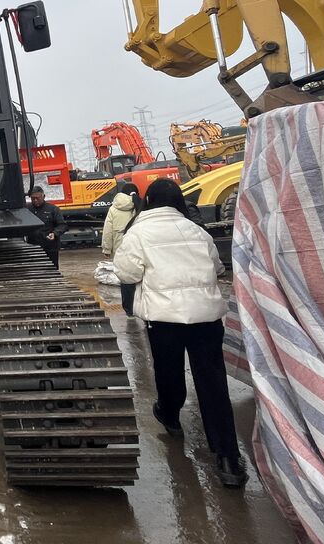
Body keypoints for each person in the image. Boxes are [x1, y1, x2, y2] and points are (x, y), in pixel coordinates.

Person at [113, 178, 247, 488]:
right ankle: (228, 459)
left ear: (148, 202)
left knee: (169, 372)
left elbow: (128, 273)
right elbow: (217, 268)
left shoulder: (139, 233)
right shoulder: (197, 232)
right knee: (213, 384)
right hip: (206, 318)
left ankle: (170, 415)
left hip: (165, 319)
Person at [102, 182, 143, 315]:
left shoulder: (114, 208)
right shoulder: (140, 206)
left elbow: (107, 230)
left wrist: (106, 249)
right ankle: (142, 306)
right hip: (138, 247)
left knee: (126, 279)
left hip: (120, 249)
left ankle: (129, 310)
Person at [25, 186, 67, 268]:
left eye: (38, 198)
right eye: (33, 198)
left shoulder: (53, 209)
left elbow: (62, 225)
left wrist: (54, 233)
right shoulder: (27, 209)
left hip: (50, 246)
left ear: (43, 196)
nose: (35, 200)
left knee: (52, 268)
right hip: (33, 247)